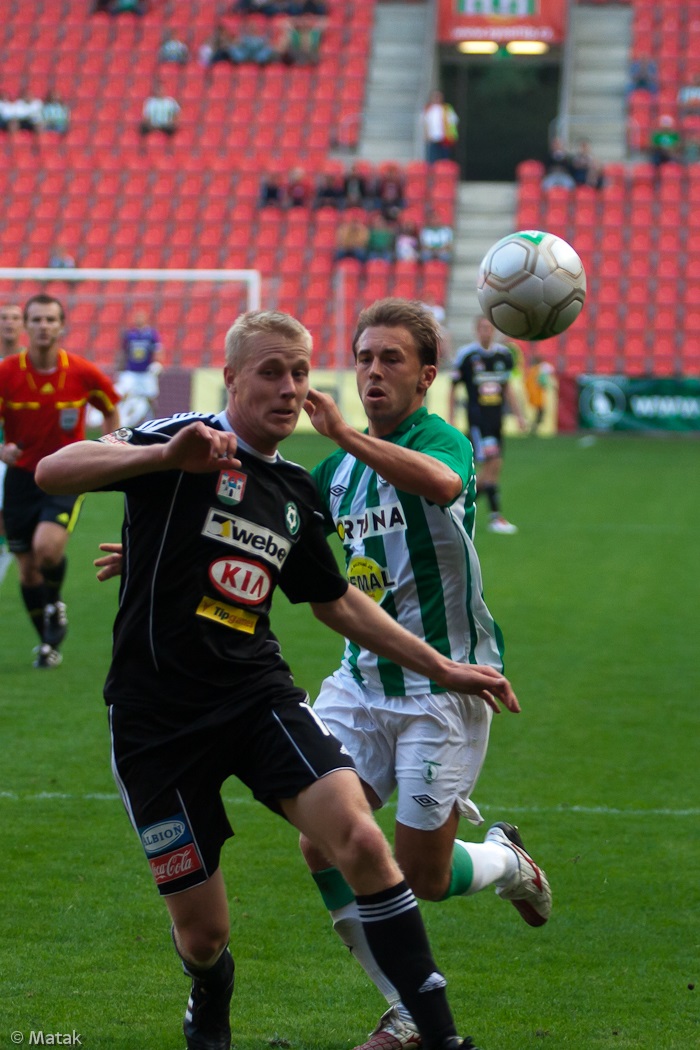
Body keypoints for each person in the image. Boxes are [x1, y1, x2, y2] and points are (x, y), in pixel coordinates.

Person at [36, 309, 519, 1050]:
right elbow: (54, 470)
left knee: (355, 836)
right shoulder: (181, 435)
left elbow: (334, 601)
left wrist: (443, 665)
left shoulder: (294, 486)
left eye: (300, 373)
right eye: (271, 372)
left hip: (256, 697)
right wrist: (164, 460)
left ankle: (438, 1034)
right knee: (203, 936)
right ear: (230, 378)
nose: (290, 389)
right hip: (153, 721)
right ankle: (211, 987)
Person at [298, 298, 551, 1050]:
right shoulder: (331, 472)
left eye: (393, 360)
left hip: (446, 686)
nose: (374, 371)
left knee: (424, 876)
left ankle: (507, 862)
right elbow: (270, 535)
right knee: (323, 839)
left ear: (427, 377)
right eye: (365, 358)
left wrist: (345, 432)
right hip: (358, 682)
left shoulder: (441, 440)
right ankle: (404, 1007)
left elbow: (439, 486)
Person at [0, 294, 120, 668]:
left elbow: (111, 408)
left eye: (50, 319)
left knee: (47, 549)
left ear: (61, 326)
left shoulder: (82, 372)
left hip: (66, 474)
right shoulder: (7, 372)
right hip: (21, 478)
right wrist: (2, 447)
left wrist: (109, 447)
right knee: (27, 568)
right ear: (26, 326)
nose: (43, 326)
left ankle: (54, 602)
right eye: (36, 320)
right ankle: (47, 641)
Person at [448, 316, 526, 535]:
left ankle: (457, 508)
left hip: (496, 420)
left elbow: (507, 387)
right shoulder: (468, 356)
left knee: (494, 469)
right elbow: (453, 387)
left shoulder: (503, 355)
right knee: (491, 465)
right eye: (482, 328)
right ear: (476, 330)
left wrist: (519, 415)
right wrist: (451, 416)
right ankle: (493, 517)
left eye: (489, 328)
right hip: (478, 420)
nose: (486, 332)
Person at [0, 303, 25, 582]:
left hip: (21, 454)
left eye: (14, 318)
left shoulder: (30, 364)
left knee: (10, 519)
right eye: (4, 318)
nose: (9, 323)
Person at [115, 308, 163, 426]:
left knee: (151, 398)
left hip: (146, 372)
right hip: (131, 371)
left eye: (140, 317)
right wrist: (120, 369)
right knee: (123, 393)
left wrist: (158, 363)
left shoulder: (151, 334)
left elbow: (158, 350)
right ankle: (119, 420)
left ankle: (152, 421)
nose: (138, 320)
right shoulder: (129, 334)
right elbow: (123, 352)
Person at [422, 90, 458, 164]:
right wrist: (426, 135)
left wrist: (452, 135)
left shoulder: (447, 108)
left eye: (438, 96)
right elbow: (425, 123)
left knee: (444, 159)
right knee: (431, 160)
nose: (437, 98)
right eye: (435, 97)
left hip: (444, 138)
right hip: (432, 138)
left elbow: (453, 122)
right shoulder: (428, 109)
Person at [524, 352, 554, 436]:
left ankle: (534, 427)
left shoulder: (533, 370)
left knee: (539, 412)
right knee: (540, 412)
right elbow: (543, 381)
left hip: (535, 394)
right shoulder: (539, 369)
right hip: (537, 394)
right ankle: (534, 427)